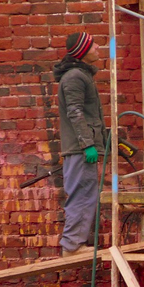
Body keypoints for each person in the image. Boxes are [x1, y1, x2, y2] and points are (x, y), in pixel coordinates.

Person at [52, 32, 105, 257]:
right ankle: (73, 246)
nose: (98, 48)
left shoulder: (80, 75)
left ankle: (74, 243)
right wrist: (87, 144)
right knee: (81, 194)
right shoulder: (75, 77)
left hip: (82, 147)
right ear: (83, 52)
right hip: (80, 149)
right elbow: (75, 112)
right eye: (93, 45)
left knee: (85, 193)